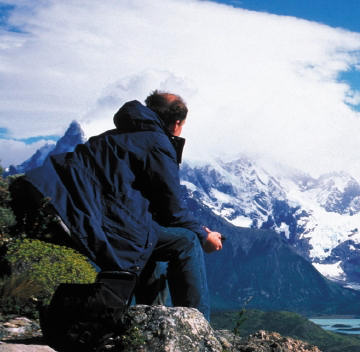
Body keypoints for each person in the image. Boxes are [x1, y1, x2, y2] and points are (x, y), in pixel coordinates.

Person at [14, 91, 222, 320]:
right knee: (186, 242)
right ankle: (197, 326)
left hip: (62, 204)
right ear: (176, 123)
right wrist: (203, 236)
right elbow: (171, 209)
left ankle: (147, 319)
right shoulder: (158, 143)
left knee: (148, 237)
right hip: (93, 217)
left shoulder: (115, 136)